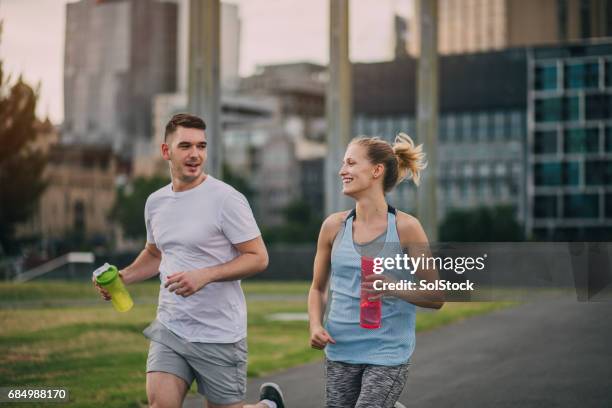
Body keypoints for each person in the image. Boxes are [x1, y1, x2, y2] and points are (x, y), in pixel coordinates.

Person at [94, 113, 286, 408]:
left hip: (219, 333)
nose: (195, 154)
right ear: (166, 151)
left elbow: (258, 258)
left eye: (201, 146)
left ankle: (267, 407)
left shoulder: (226, 199)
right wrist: (124, 277)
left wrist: (204, 275)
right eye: (185, 146)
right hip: (171, 326)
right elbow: (156, 253)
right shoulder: (155, 203)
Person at [308, 133, 445, 408]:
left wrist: (393, 287)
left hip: (387, 353)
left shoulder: (406, 228)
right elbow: (318, 288)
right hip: (341, 348)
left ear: (376, 170)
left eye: (350, 163)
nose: (342, 171)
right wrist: (315, 324)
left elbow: (437, 296)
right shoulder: (333, 227)